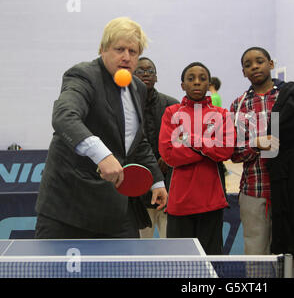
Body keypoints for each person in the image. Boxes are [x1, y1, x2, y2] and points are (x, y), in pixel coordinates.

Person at [35, 17, 168, 239]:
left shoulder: (137, 88)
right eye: (119, 49)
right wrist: (101, 154)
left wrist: (156, 180)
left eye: (133, 51)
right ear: (102, 49)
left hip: (115, 208)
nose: (126, 57)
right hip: (67, 209)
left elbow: (137, 140)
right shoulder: (83, 76)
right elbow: (64, 116)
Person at [230, 47, 294, 277]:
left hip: (291, 191)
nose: (254, 66)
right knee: (256, 256)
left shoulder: (293, 96)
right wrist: (256, 145)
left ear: (271, 63)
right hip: (255, 190)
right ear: (244, 72)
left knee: (292, 254)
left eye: (259, 61)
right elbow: (234, 153)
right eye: (248, 64)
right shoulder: (238, 106)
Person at [158, 62, 235, 254]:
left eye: (202, 78)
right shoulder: (171, 113)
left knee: (209, 263)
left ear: (209, 84)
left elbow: (225, 151)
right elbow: (169, 154)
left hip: (211, 201)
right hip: (179, 202)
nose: (197, 83)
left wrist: (189, 139)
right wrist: (208, 148)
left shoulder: (222, 114)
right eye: (191, 79)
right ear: (182, 85)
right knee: (180, 264)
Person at [134, 57, 179, 239]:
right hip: (138, 190)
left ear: (156, 77)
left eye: (150, 71)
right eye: (140, 70)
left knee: (171, 248)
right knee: (140, 250)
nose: (146, 74)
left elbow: (184, 139)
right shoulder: (125, 107)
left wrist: (169, 157)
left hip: (170, 187)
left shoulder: (173, 105)